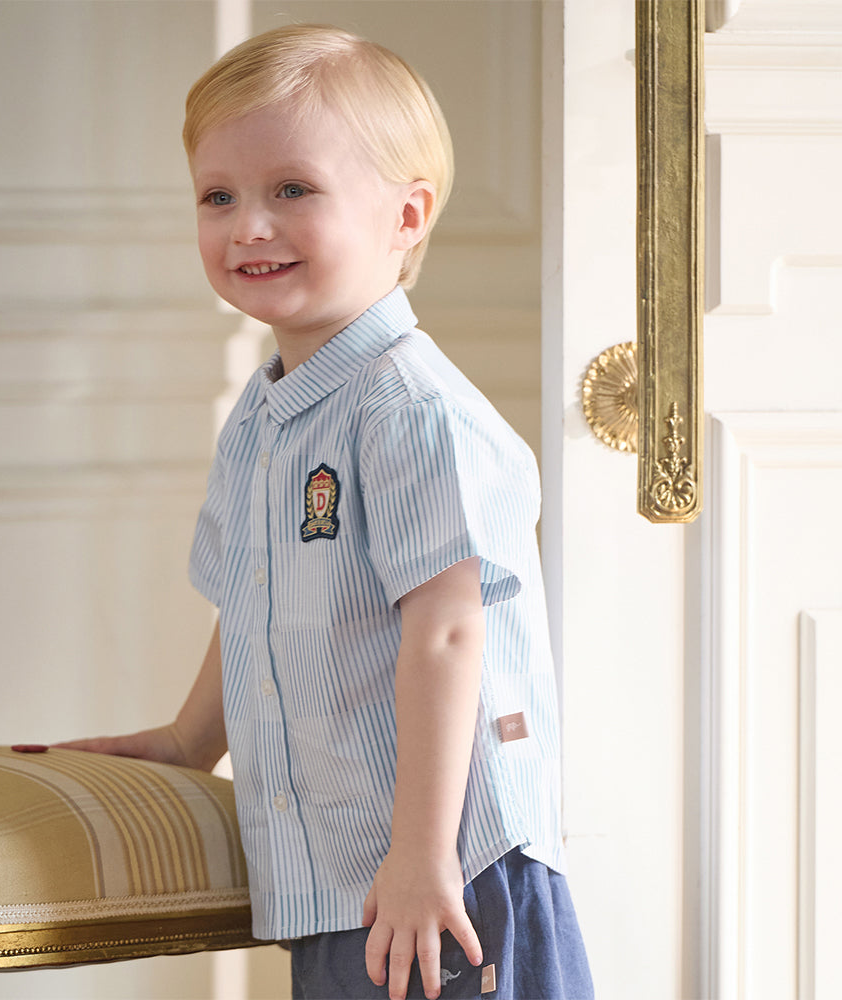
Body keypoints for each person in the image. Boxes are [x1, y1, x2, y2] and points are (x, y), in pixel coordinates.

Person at [60, 24, 593, 1000]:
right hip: (344, 874)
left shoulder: (411, 411)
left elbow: (447, 633)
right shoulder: (264, 416)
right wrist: (190, 741)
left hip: (452, 873)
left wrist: (422, 854)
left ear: (405, 216)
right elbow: (253, 599)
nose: (248, 228)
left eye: (292, 190)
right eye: (219, 197)